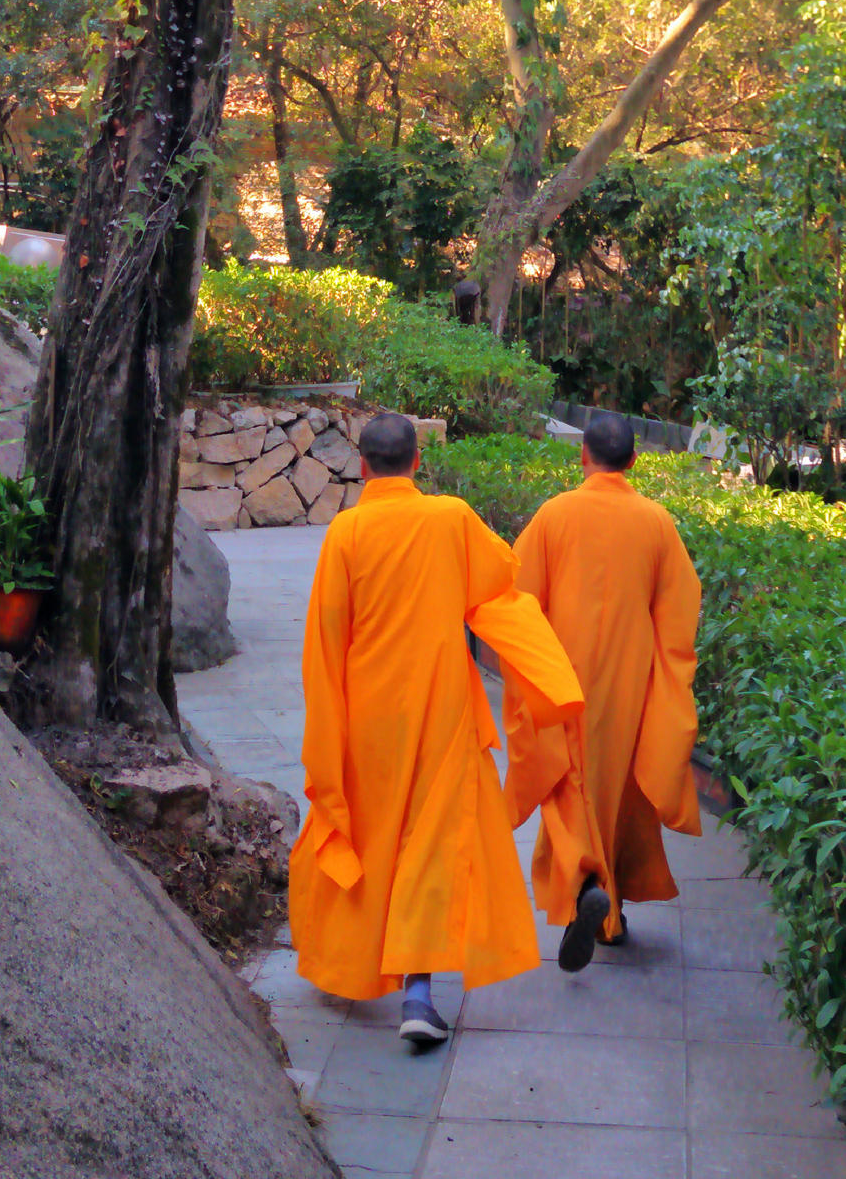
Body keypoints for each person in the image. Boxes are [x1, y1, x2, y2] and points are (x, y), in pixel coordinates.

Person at [289, 410, 585, 1047]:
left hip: (368, 719)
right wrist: (551, 678)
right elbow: (502, 593)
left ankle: (344, 965)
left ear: (363, 465)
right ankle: (418, 994)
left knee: (366, 837)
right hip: (441, 709)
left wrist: (326, 732)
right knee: (427, 846)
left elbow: (324, 644)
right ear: (417, 461)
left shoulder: (345, 532)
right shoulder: (450, 519)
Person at [503, 410, 703, 966]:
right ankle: (606, 912)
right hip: (630, 680)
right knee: (615, 791)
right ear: (635, 461)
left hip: (560, 678)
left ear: (583, 457)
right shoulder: (656, 521)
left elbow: (518, 603)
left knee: (567, 784)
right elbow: (680, 610)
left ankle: (588, 895)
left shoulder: (553, 516)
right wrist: (669, 682)